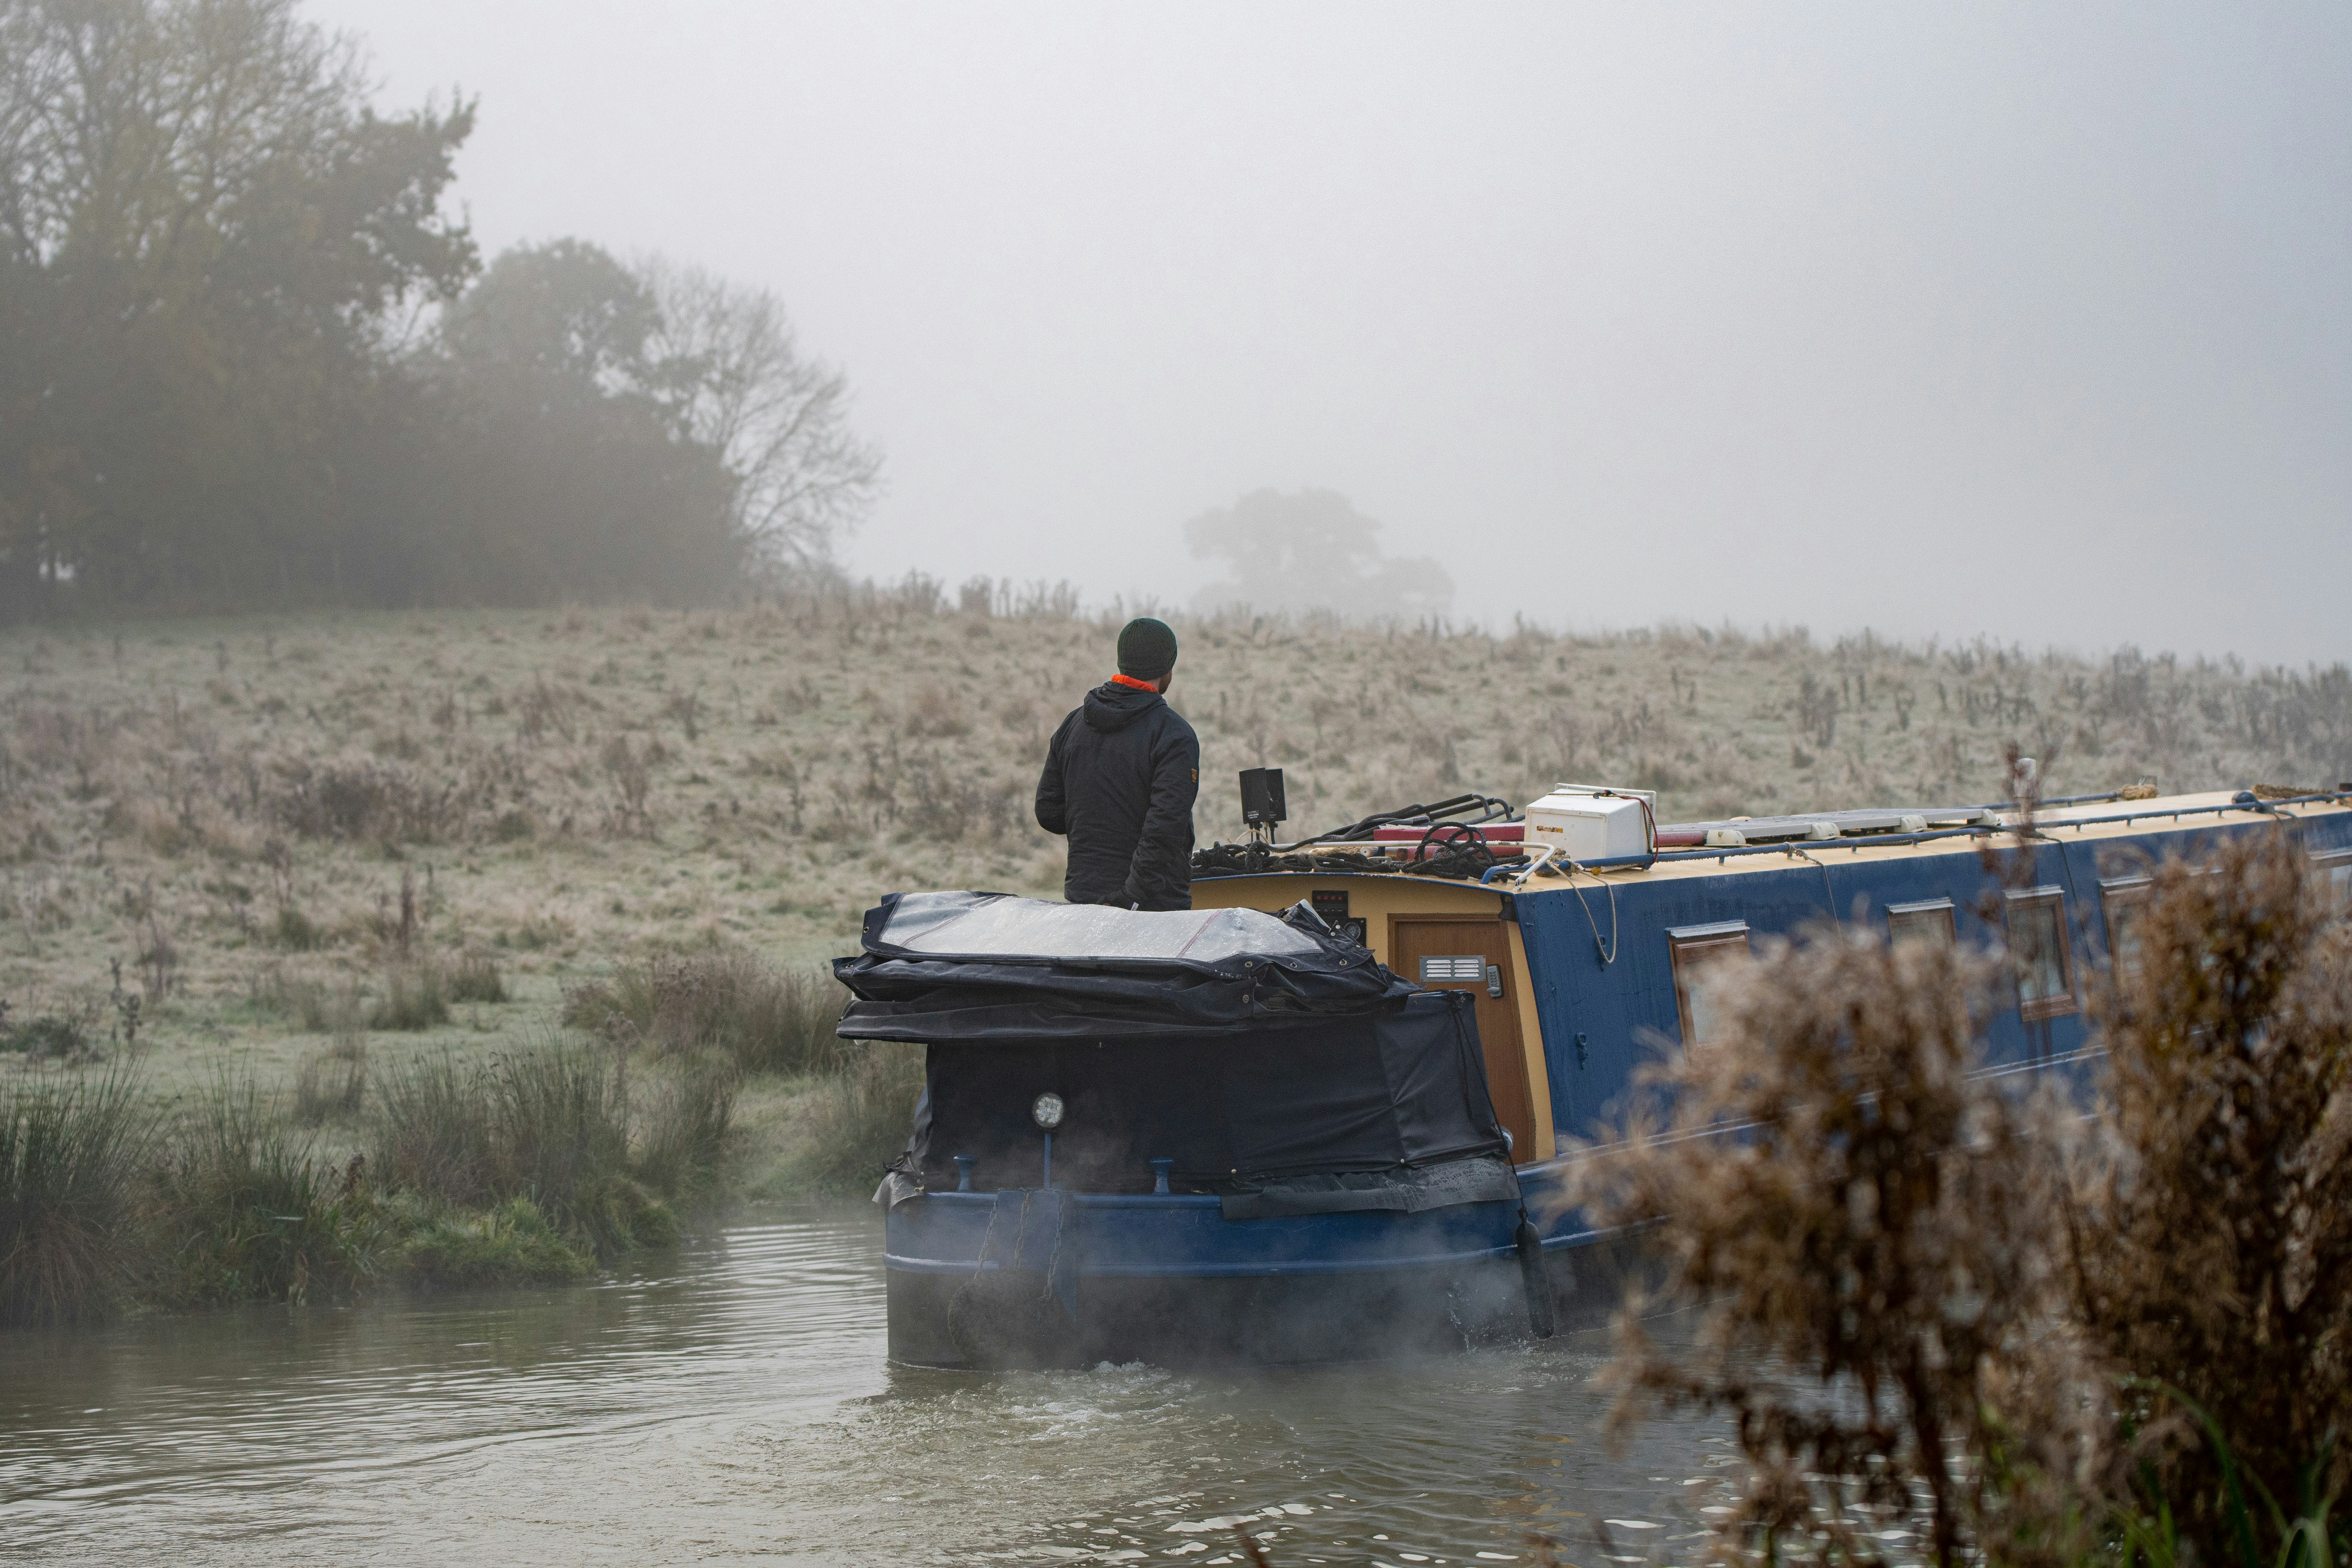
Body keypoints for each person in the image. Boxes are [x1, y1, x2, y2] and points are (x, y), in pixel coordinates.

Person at [1034, 616, 1200, 911]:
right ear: (1167, 668)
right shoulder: (1174, 735)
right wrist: (1130, 897)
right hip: (1153, 910)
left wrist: (1095, 825)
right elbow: (1166, 828)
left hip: (1083, 899)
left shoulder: (1073, 724)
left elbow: (1049, 812)